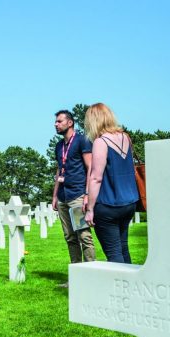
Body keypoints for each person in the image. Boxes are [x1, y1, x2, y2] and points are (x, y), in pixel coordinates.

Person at [83, 103, 140, 263]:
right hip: (129, 202)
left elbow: (96, 177)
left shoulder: (101, 142)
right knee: (123, 248)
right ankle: (129, 286)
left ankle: (119, 287)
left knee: (114, 253)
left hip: (108, 205)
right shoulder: (125, 137)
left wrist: (90, 209)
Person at [52, 109, 96, 277]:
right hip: (63, 197)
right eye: (56, 122)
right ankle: (76, 279)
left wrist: (86, 194)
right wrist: (55, 195)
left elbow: (90, 167)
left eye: (59, 121)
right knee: (70, 237)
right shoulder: (59, 146)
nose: (56, 124)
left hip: (77, 195)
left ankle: (91, 276)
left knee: (84, 236)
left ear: (70, 123)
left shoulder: (82, 141)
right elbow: (59, 171)